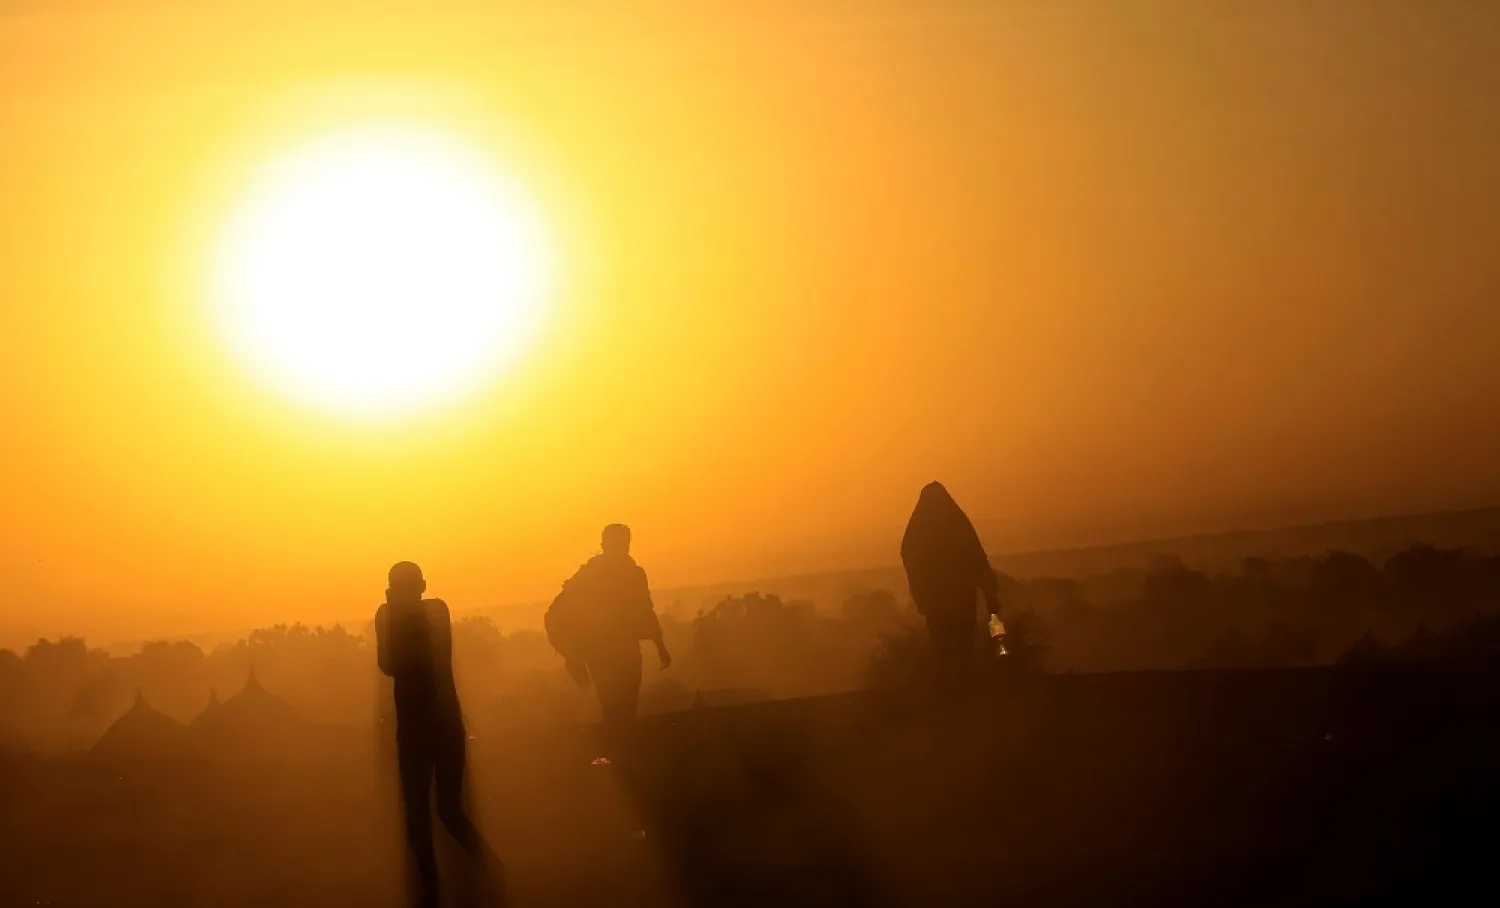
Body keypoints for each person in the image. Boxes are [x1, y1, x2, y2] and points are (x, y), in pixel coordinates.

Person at [375, 561, 502, 908]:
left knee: (443, 808)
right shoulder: (395, 614)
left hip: (435, 724)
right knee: (423, 810)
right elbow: (389, 665)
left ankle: (484, 869)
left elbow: (410, 658)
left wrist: (396, 611)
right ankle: (436, 884)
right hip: (430, 725)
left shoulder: (433, 611)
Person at [546, 524, 671, 759]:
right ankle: (620, 755)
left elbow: (644, 608)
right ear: (606, 545)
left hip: (618, 650)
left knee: (622, 703)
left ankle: (621, 755)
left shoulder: (630, 573)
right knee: (615, 704)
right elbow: (561, 612)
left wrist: (660, 645)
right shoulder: (592, 576)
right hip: (603, 651)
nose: (621, 548)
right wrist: (574, 654)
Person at [900, 482, 1002, 692]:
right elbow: (976, 555)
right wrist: (989, 590)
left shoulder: (918, 530)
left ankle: (951, 692)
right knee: (960, 645)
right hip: (958, 597)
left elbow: (909, 557)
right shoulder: (957, 523)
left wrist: (921, 596)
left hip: (939, 601)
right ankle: (960, 691)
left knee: (945, 646)